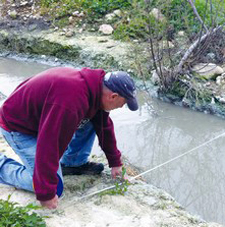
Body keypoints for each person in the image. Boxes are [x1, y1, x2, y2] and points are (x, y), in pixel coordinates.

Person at [0, 67, 138, 209]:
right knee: (54, 188)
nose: (122, 107)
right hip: (19, 128)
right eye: (124, 103)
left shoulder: (95, 89)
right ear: (113, 96)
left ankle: (73, 163)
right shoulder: (70, 102)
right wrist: (46, 193)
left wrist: (115, 162)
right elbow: (49, 145)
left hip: (42, 121)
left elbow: (103, 126)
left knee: (94, 119)